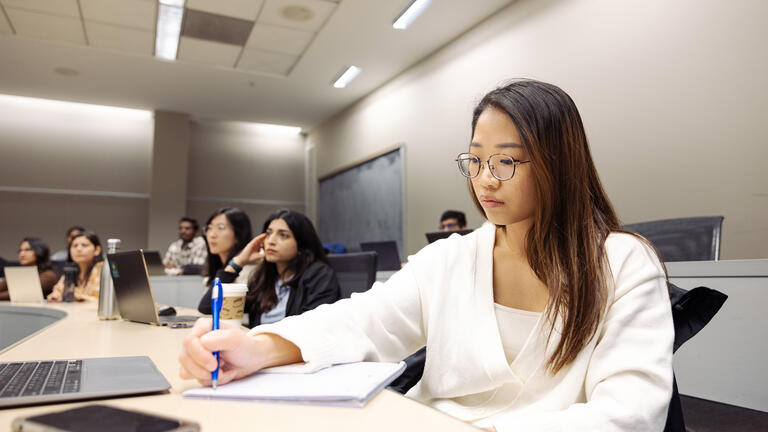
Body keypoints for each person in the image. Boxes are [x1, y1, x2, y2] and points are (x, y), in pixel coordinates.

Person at [179, 80, 674, 431]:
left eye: (506, 160)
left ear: (560, 163)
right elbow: (362, 321)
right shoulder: (451, 259)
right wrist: (259, 347)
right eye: (476, 159)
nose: (485, 178)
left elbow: (631, 412)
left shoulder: (622, 263)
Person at [198, 209, 341, 328]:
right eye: (268, 233)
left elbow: (311, 329)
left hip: (294, 357)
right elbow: (208, 307)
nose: (271, 241)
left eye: (283, 235)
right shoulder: (263, 278)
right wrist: (239, 261)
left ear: (301, 245)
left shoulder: (319, 275)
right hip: (261, 353)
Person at [198, 208, 255, 291]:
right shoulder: (214, 269)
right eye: (209, 228)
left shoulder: (248, 271)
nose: (212, 235)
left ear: (238, 235)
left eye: (221, 228)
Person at [47, 232, 103, 302]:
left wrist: (73, 295)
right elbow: (58, 290)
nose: (79, 249)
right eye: (75, 246)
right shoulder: (70, 270)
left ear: (97, 250)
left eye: (84, 245)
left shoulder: (103, 269)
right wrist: (55, 296)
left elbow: (102, 301)